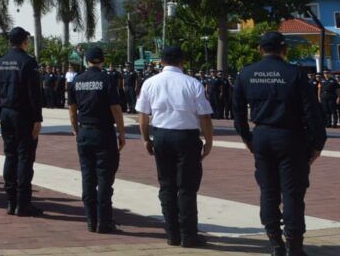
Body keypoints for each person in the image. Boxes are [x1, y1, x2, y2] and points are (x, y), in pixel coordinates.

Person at [233, 31, 326, 256]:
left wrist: (247, 137)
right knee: (292, 193)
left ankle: (275, 243)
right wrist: (317, 143)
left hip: (262, 135)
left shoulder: (246, 73)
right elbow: (312, 111)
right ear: (284, 49)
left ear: (260, 48)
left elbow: (237, 111)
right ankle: (295, 245)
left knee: (268, 190)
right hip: (290, 137)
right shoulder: (294, 73)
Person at [136, 45, 214, 248]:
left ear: (161, 61)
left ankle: (172, 234)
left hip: (162, 135)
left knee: (167, 186)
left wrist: (146, 138)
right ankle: (189, 235)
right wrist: (209, 141)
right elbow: (204, 116)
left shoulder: (150, 83)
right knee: (187, 188)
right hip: (187, 138)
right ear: (182, 61)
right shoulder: (192, 83)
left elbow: (143, 116)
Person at [68, 46, 126, 233]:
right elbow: (116, 109)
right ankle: (104, 221)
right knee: (104, 179)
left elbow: (72, 108)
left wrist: (76, 130)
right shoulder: (106, 80)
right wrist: (122, 133)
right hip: (103, 133)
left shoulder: (77, 80)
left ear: (87, 61)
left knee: (87, 177)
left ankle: (91, 220)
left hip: (85, 132)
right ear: (102, 61)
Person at [0, 27, 44, 217]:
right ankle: (23, 203)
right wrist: (37, 118)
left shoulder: (0, 63)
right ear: (24, 41)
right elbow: (34, 94)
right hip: (24, 115)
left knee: (10, 156)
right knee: (24, 157)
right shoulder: (28, 62)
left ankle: (11, 200)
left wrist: (1, 112)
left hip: (6, 113)